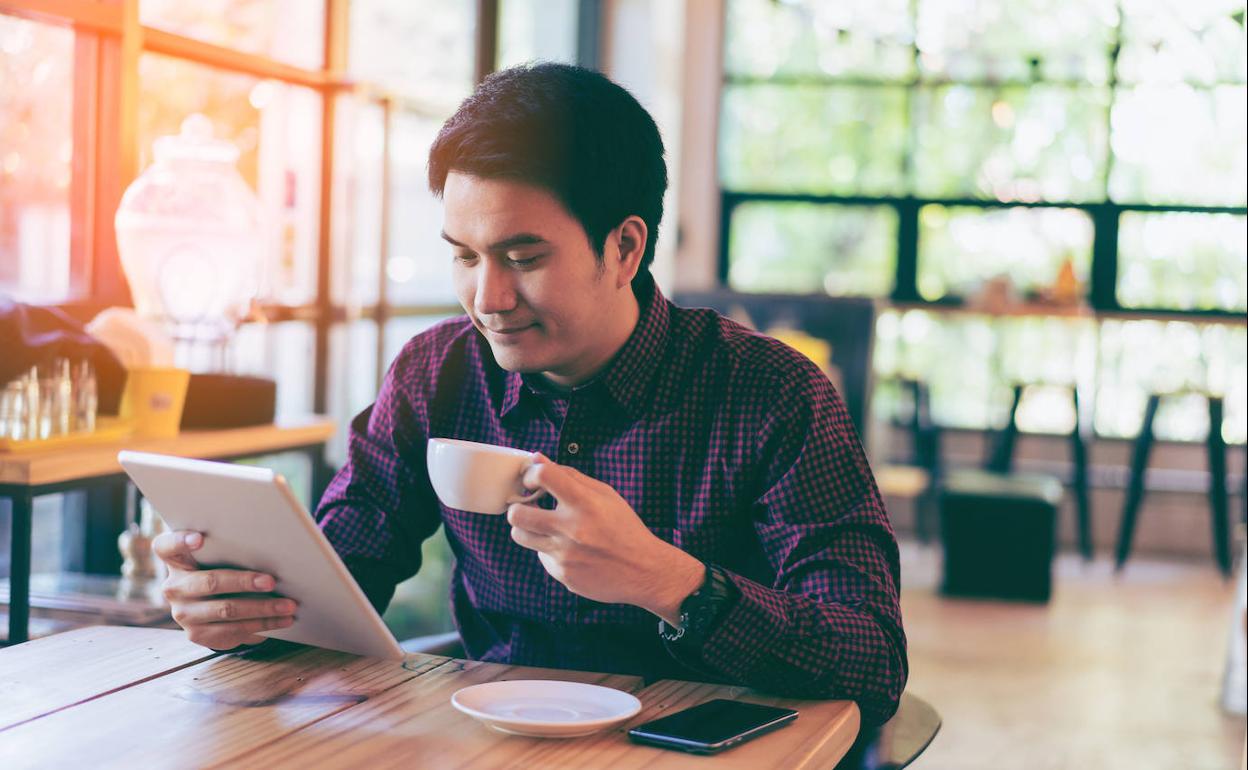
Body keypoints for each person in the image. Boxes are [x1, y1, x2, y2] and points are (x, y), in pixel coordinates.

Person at [153, 63, 908, 725]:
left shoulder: (772, 395)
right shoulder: (435, 374)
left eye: (523, 257)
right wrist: (240, 605)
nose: (488, 298)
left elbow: (870, 663)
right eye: (465, 256)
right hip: (488, 741)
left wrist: (665, 579)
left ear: (625, 247)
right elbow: (345, 572)